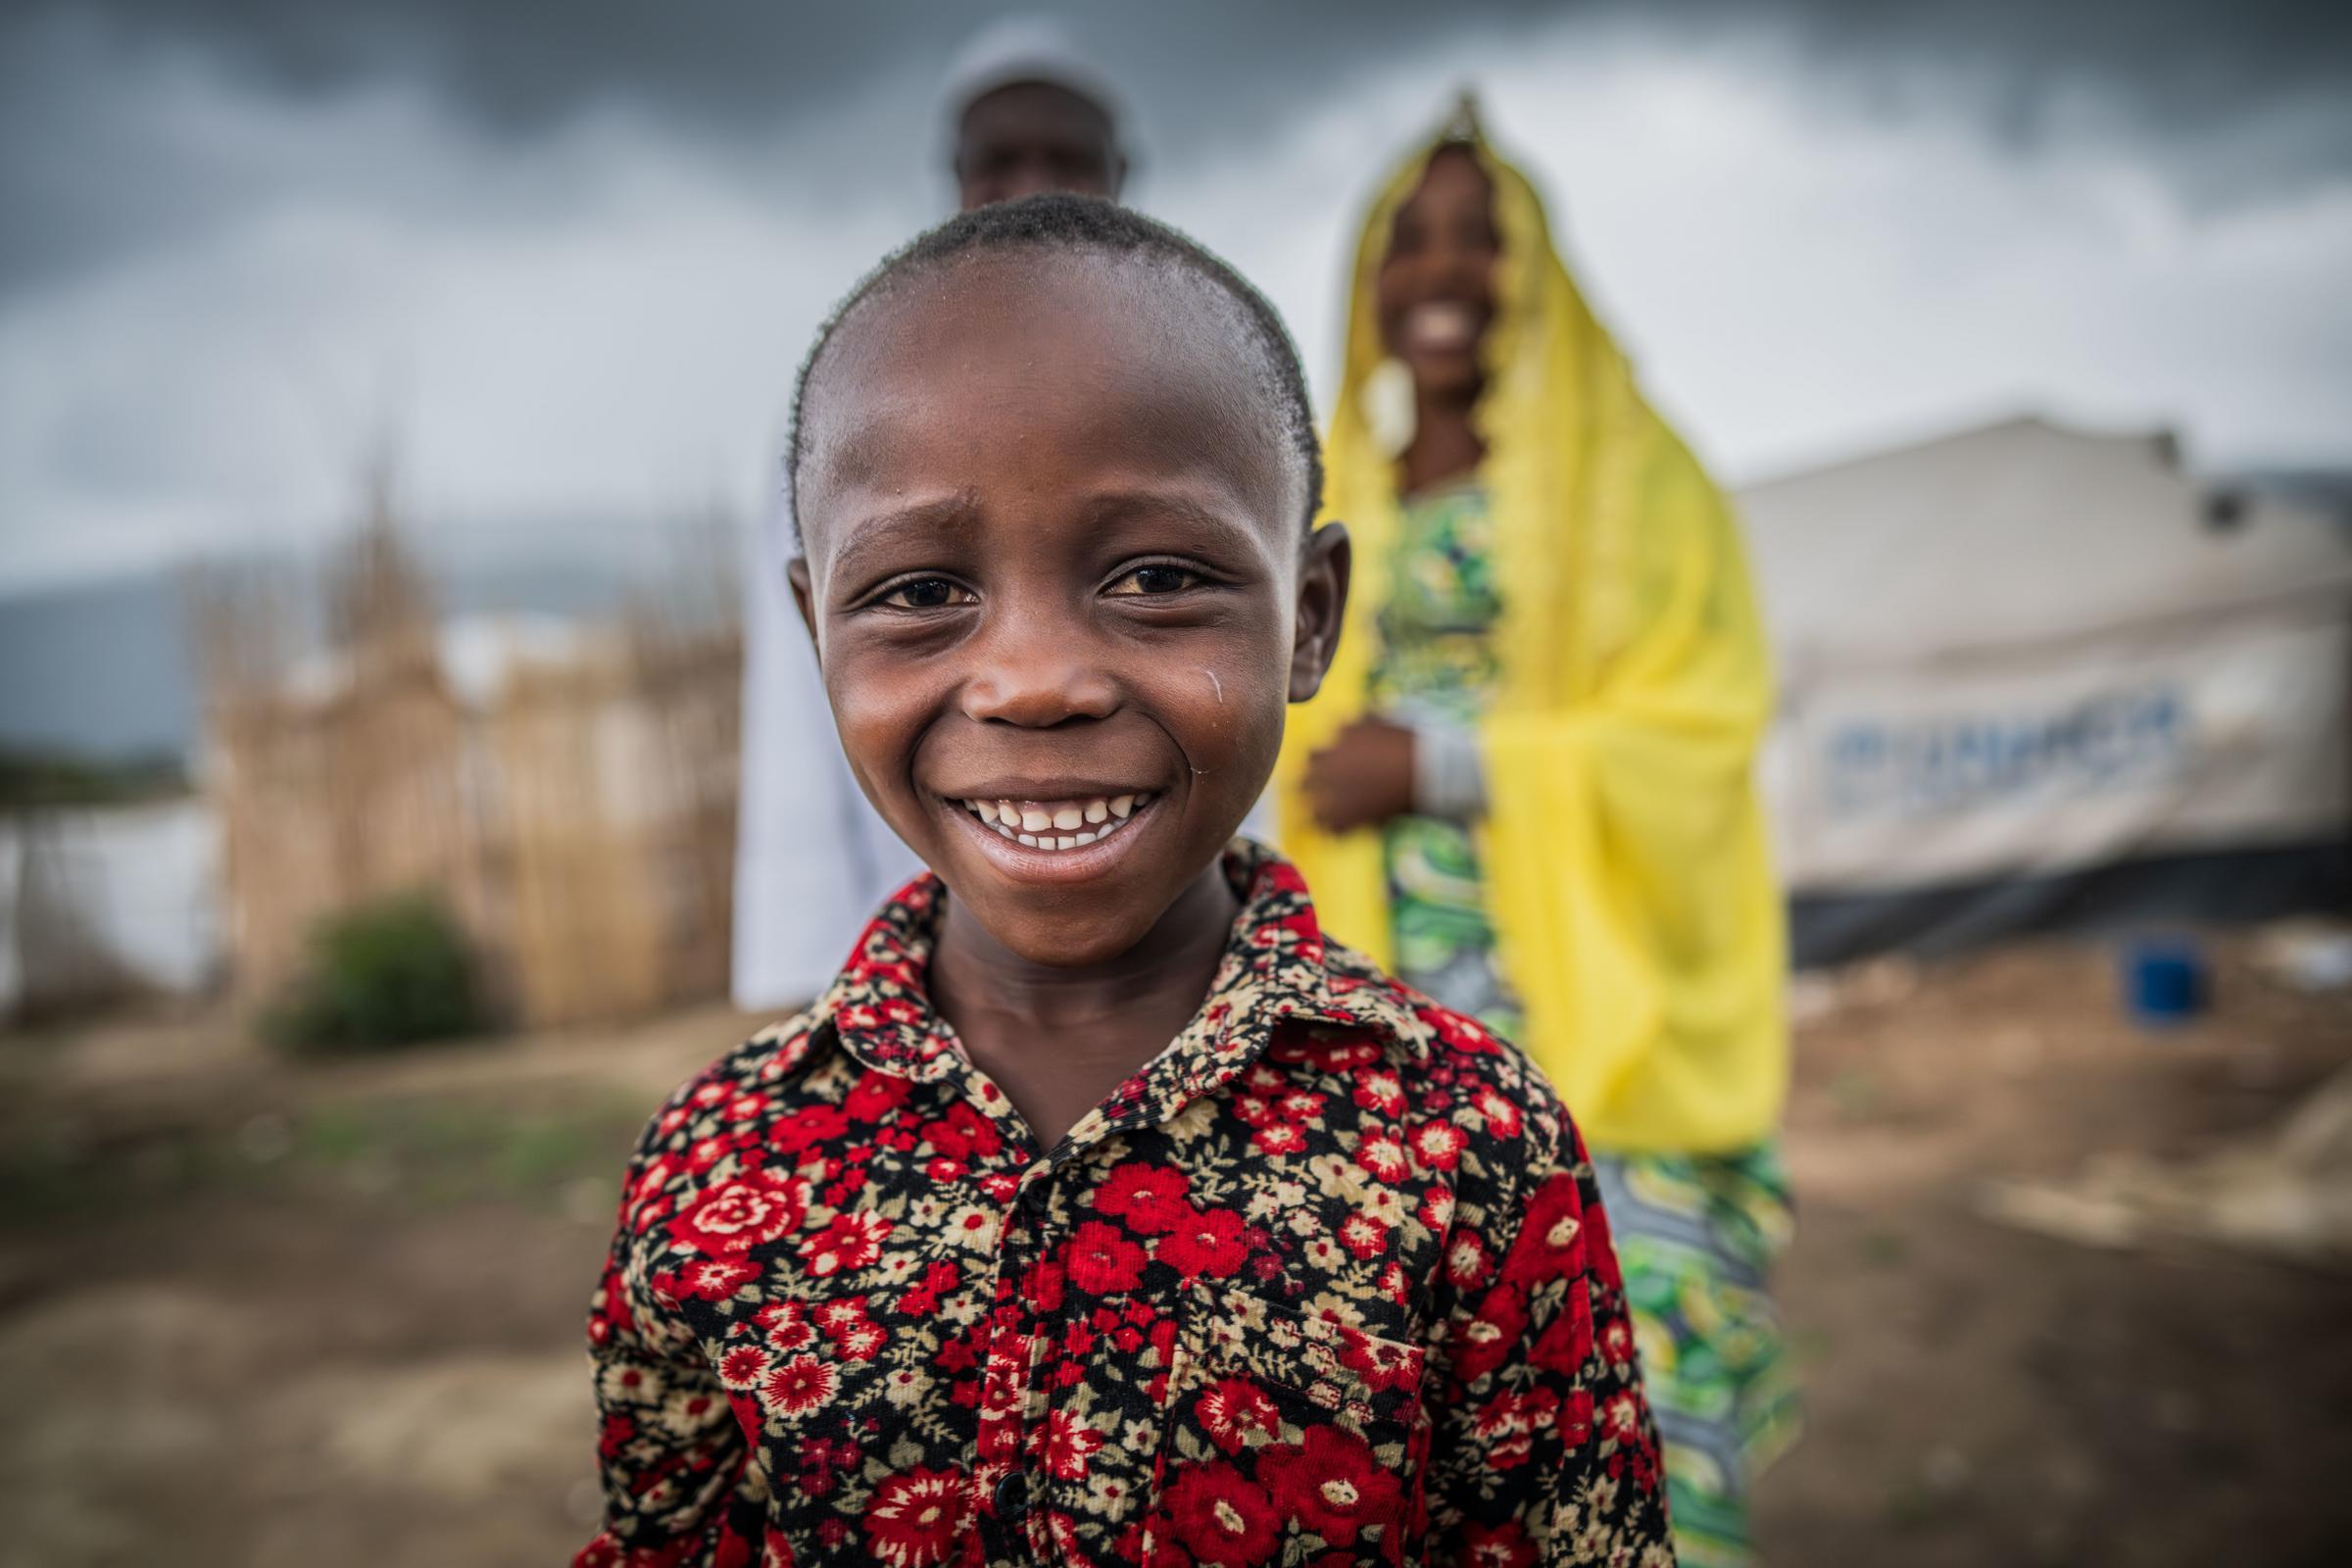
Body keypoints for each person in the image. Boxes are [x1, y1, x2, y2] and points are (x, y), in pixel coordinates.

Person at [577, 195, 1673, 1568]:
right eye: (920, 592)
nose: (1035, 681)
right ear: (815, 630)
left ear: (1310, 617)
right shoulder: (715, 1167)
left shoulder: (1473, 1153)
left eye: (1157, 576)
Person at [1277, 105, 1797, 1568]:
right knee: (1428, 1450)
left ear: (1540, 272)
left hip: (1601, 1025)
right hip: (1387, 1037)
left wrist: (1440, 763)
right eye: (1409, 239)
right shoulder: (1318, 501)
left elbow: (1698, 730)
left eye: (1481, 238)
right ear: (1367, 278)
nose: (1445, 270)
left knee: (1641, 1420)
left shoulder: (1645, 483)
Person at [733, 20, 1132, 1012]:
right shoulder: (856, 408)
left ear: (1122, 173)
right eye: (999, 161)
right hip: (916, 956)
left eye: (1066, 159)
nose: (1032, 187)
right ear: (954, 179)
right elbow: (795, 710)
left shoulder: (1201, 403)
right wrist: (808, 980)